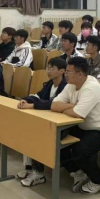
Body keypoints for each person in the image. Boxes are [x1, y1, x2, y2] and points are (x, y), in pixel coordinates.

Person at [51, 57, 100, 194]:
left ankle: (99, 180)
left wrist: (66, 108)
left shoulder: (91, 87)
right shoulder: (71, 84)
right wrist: (72, 106)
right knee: (58, 138)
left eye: (69, 72)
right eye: (66, 71)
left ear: (80, 74)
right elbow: (54, 105)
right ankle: (78, 172)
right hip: (85, 127)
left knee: (80, 150)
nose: (65, 74)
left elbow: (78, 114)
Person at [17, 57, 68, 187]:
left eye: (52, 68)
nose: (48, 71)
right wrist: (26, 100)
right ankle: (30, 168)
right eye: (48, 68)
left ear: (62, 71)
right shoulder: (49, 84)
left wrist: (33, 105)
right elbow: (38, 96)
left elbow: (54, 103)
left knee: (36, 134)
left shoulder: (66, 86)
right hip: (46, 119)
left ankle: (38, 173)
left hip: (62, 125)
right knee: (27, 130)